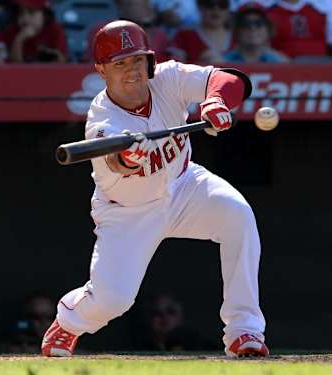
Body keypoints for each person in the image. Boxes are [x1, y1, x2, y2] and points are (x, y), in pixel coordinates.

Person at [41, 20, 269, 359]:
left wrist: (215, 101)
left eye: (137, 61)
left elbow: (230, 79)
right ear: (102, 70)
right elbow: (118, 162)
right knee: (112, 300)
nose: (132, 71)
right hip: (127, 210)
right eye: (120, 64)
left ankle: (244, 330)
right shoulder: (102, 117)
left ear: (149, 61)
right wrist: (130, 156)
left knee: (237, 215)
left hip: (184, 185)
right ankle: (69, 321)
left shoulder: (168, 77)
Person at [264, 0, 332, 62]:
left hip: (321, 68)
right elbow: (259, 46)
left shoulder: (322, 7)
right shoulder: (265, 10)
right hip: (282, 69)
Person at [85, 0, 171, 63]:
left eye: (144, 2)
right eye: (131, 3)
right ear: (120, 4)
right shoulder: (103, 31)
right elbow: (95, 66)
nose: (137, 4)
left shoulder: (160, 35)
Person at [170, 0, 233, 64]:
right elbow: (174, 67)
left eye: (223, 5)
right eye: (210, 4)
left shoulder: (238, 37)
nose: (216, 9)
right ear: (200, 7)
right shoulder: (184, 36)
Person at [223, 1, 289, 63]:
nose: (252, 28)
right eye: (245, 23)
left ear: (268, 29)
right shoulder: (224, 62)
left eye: (258, 23)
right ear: (236, 30)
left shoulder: (280, 62)